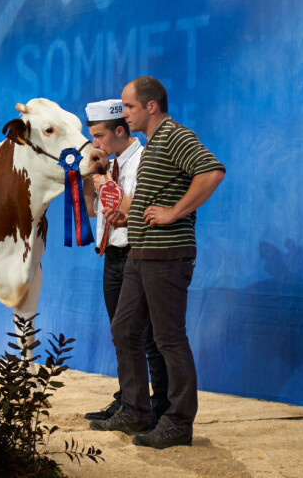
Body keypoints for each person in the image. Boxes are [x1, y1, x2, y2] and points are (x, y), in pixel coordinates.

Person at [88, 77, 225, 449]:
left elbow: (212, 171)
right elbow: (147, 203)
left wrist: (174, 212)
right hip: (141, 252)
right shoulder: (153, 144)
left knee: (168, 338)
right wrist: (126, 214)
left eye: (129, 107)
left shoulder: (174, 135)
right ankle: (135, 409)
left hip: (167, 255)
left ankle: (179, 422)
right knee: (124, 329)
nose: (125, 114)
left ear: (151, 106)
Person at [81, 99, 169, 426]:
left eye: (99, 136)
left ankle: (160, 404)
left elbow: (138, 210)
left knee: (149, 336)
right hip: (112, 257)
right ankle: (129, 400)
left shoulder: (144, 160)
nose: (95, 143)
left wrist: (107, 183)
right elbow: (92, 211)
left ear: (120, 131)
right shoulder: (108, 164)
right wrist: (88, 176)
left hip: (138, 253)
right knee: (122, 335)